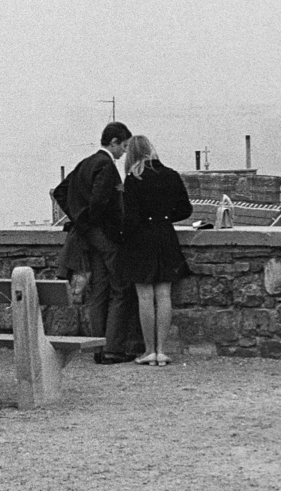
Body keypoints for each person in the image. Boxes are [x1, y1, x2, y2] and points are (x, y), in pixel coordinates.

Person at [54, 121, 138, 364]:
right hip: (105, 236)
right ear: (113, 142)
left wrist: (79, 219)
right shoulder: (106, 165)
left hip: (88, 237)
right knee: (120, 289)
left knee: (100, 290)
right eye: (123, 146)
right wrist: (91, 221)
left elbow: (61, 191)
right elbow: (101, 203)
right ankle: (112, 349)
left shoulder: (86, 163)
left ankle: (99, 348)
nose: (124, 151)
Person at [115, 134, 192, 366]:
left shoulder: (133, 178)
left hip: (141, 240)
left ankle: (148, 350)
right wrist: (166, 217)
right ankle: (161, 350)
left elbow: (129, 218)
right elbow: (185, 210)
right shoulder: (171, 175)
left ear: (133, 154)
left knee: (145, 297)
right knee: (164, 295)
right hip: (165, 236)